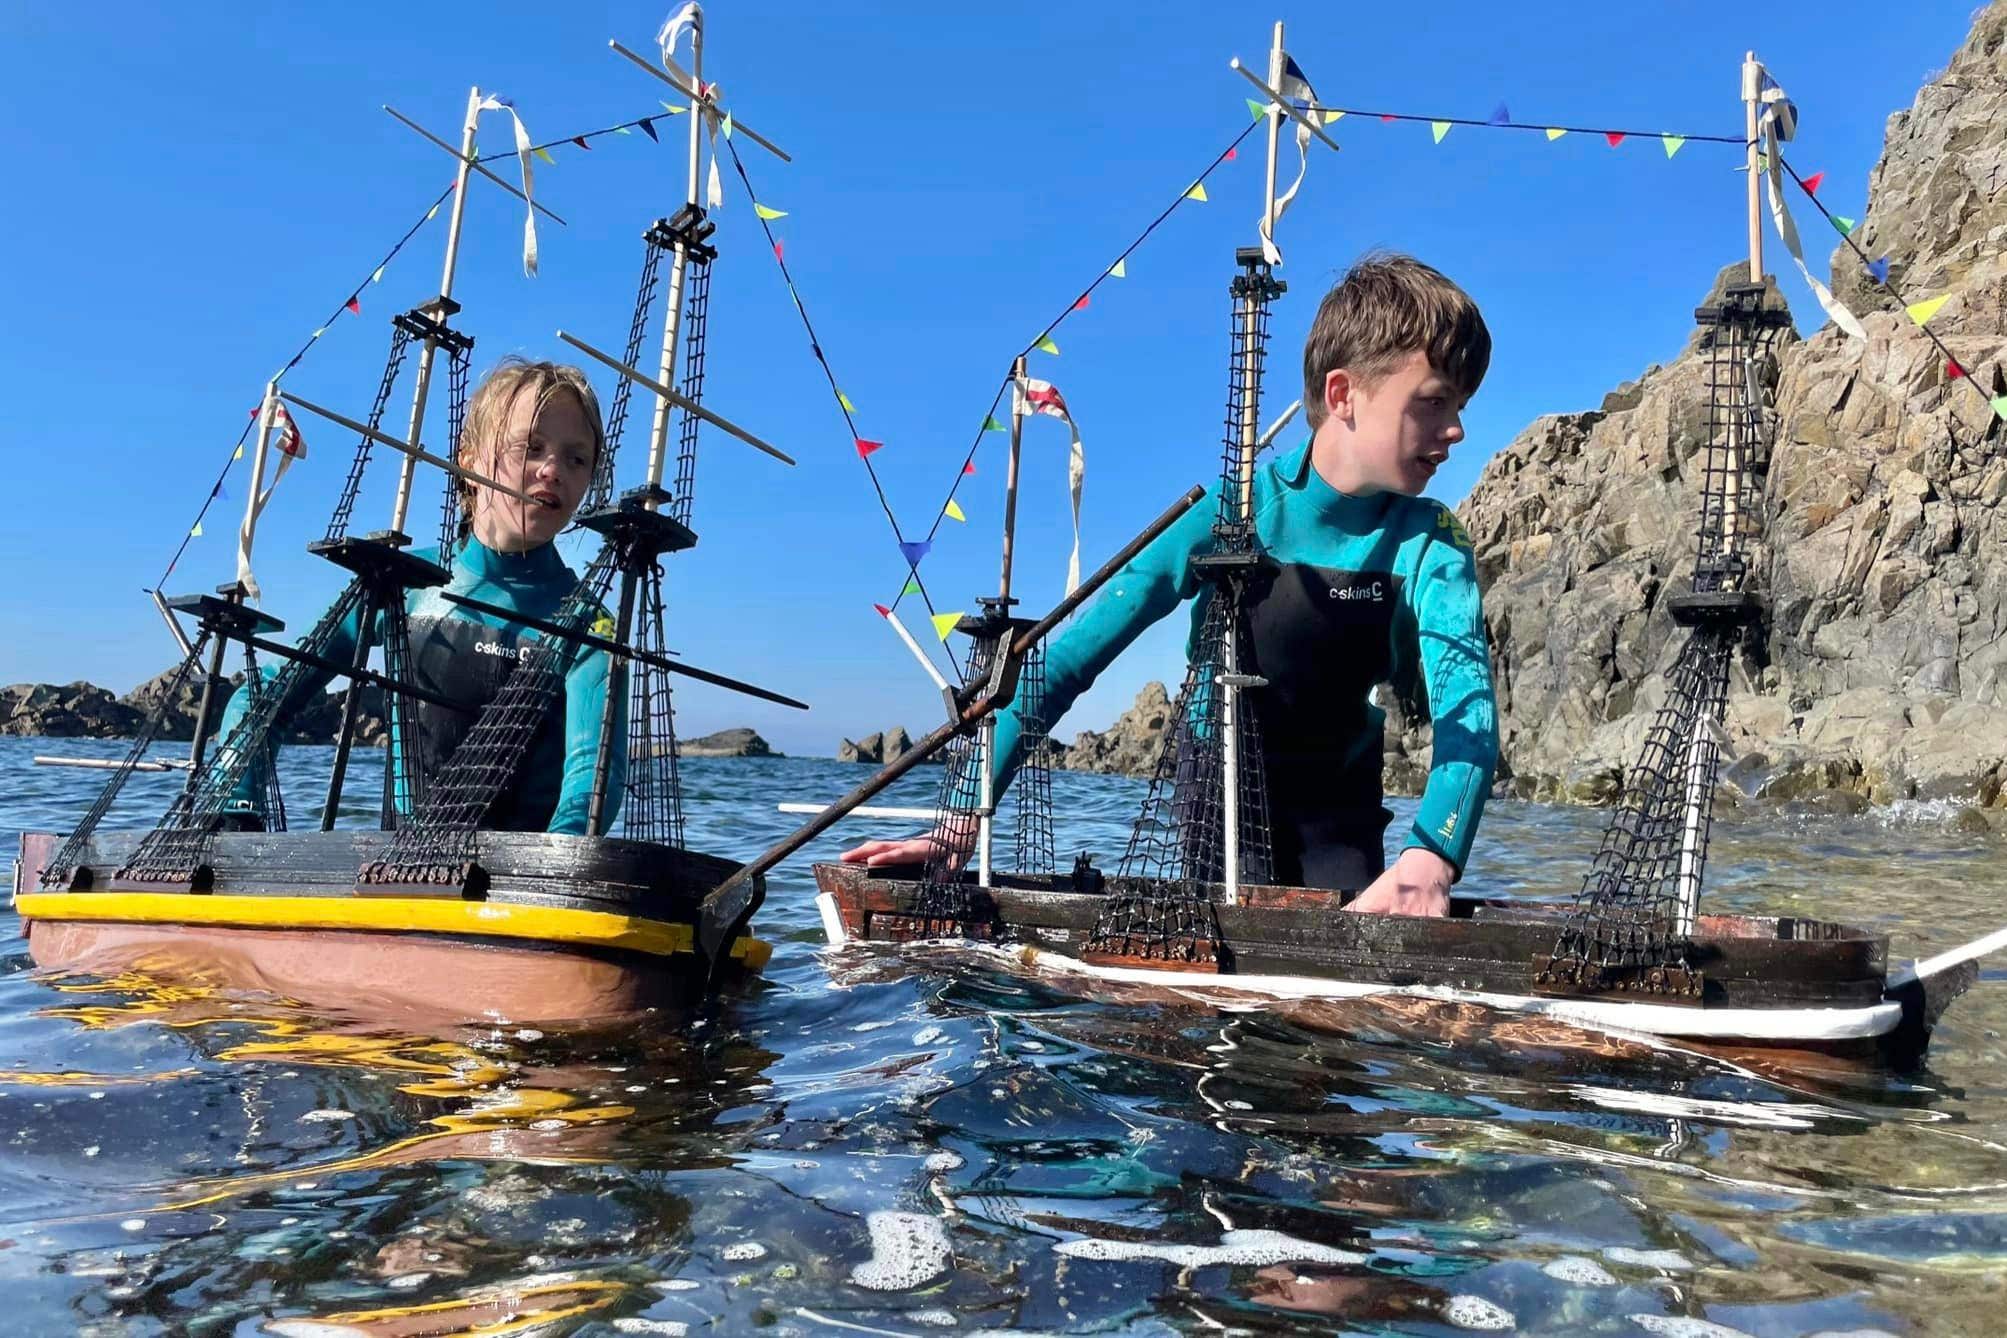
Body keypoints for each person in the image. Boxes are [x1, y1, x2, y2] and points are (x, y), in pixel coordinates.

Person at [843, 254, 1499, 917]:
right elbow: (1064, 664)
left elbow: (1465, 715)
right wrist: (961, 824)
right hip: (1221, 788)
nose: (1456, 429)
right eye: (1434, 400)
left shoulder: (1432, 541)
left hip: (1339, 797)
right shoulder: (1232, 513)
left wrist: (1430, 858)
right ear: (1342, 395)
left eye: (1461, 404)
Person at [215, 356, 625, 834]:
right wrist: (236, 802)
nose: (553, 470)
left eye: (577, 458)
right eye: (530, 447)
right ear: (470, 464)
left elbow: (593, 775)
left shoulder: (587, 624)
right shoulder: (400, 582)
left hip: (518, 888)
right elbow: (263, 694)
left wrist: (557, 863)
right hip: (397, 881)